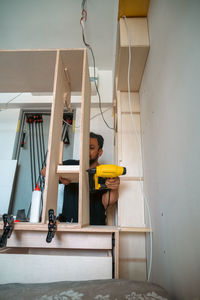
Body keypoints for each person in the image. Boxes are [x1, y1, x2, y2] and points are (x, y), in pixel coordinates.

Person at [41, 132, 120, 225]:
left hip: (94, 228)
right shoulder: (71, 164)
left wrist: (114, 187)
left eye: (91, 148)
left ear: (100, 152)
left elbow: (107, 202)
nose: (86, 151)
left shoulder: (105, 173)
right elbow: (44, 171)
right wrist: (61, 176)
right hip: (68, 225)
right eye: (85, 147)